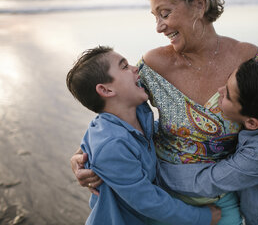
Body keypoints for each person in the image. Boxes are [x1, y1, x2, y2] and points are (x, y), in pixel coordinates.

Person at [70, 0, 258, 222]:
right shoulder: (152, 66)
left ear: (199, 5)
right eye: (155, 16)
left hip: (223, 193)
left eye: (165, 13)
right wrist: (83, 155)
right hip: (162, 193)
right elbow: (115, 109)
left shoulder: (249, 59)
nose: (159, 27)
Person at [66, 45, 221, 225]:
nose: (135, 68)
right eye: (124, 66)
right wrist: (202, 217)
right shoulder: (111, 144)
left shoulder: (138, 115)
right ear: (106, 90)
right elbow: (150, 202)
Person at [157, 59, 258, 225]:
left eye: (228, 95)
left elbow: (208, 182)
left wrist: (157, 167)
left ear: (251, 123)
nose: (219, 90)